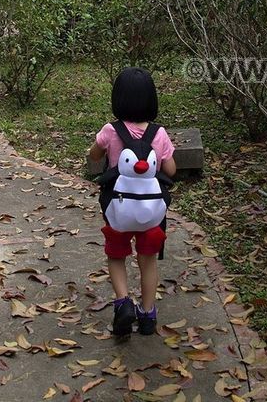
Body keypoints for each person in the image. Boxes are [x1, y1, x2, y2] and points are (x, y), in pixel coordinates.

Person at [88, 67, 176, 336]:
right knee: (147, 260)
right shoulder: (159, 134)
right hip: (151, 213)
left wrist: (103, 148)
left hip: (118, 209)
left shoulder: (110, 131)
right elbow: (171, 171)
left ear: (118, 98)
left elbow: (93, 157)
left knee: (116, 256)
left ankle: (124, 302)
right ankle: (148, 315)